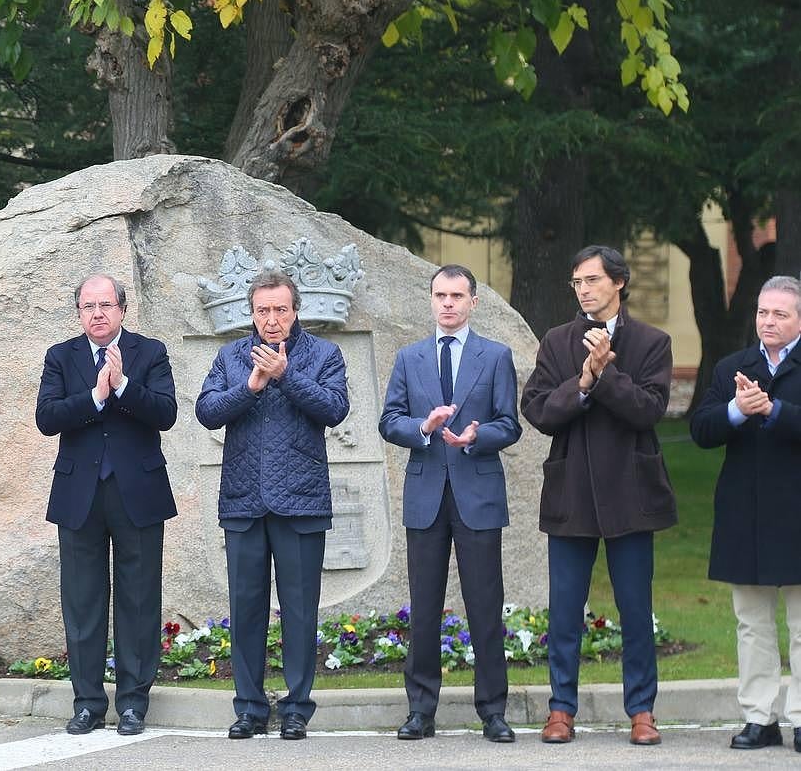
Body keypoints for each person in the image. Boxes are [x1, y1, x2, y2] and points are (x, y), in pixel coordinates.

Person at [521, 245, 675, 747]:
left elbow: (647, 410)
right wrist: (584, 381)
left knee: (635, 608)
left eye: (591, 279)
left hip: (631, 493)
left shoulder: (652, 342)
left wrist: (608, 374)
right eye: (577, 282)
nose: (583, 289)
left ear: (619, 283)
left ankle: (642, 712)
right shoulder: (558, 340)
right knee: (565, 610)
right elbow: (539, 410)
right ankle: (561, 709)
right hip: (572, 492)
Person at [196, 269, 349, 741]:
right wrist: (252, 386)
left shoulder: (324, 354)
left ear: (295, 310)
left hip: (300, 502)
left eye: (280, 309)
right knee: (246, 609)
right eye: (263, 310)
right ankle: (249, 708)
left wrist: (286, 376)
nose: (272, 319)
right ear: (253, 313)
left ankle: (298, 708)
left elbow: (334, 408)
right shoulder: (231, 356)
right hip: (244, 502)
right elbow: (206, 411)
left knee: (300, 610)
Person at [379, 265, 522, 744]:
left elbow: (510, 424)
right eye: (440, 295)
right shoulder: (410, 357)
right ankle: (421, 710)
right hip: (425, 496)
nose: (447, 304)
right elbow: (390, 420)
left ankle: (493, 711)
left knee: (485, 605)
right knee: (424, 608)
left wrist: (478, 436)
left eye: (457, 296)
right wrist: (423, 428)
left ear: (473, 302)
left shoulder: (496, 356)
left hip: (477, 495)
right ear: (431, 299)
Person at [36, 274, 178, 737]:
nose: (96, 314)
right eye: (87, 306)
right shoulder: (61, 356)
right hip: (80, 495)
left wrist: (122, 386)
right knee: (82, 602)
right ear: (78, 312)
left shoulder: (149, 352)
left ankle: (134, 702)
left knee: (138, 601)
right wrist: (96, 397)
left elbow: (166, 413)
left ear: (121, 309)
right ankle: (88, 703)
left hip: (138, 492)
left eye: (104, 305)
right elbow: (47, 418)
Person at [689, 275, 801, 752]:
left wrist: (773, 410)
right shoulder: (735, 366)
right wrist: (737, 409)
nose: (768, 321)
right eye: (762, 311)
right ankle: (760, 717)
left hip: (797, 514)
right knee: (752, 624)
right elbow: (701, 429)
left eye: (780, 313)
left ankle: (799, 720)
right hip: (745, 513)